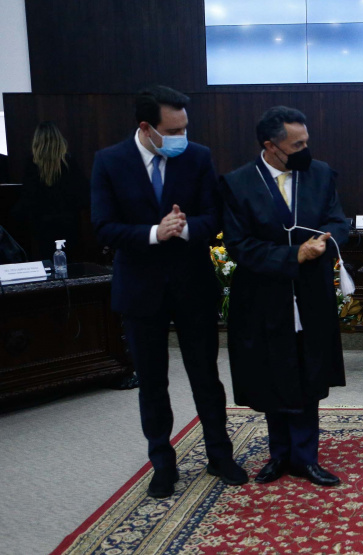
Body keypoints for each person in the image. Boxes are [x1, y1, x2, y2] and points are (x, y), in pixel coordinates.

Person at [91, 85, 247, 498]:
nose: (183, 136)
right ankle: (162, 462)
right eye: (173, 129)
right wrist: (154, 233)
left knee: (205, 376)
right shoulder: (109, 161)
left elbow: (214, 215)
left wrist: (187, 228)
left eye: (185, 127)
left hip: (192, 285)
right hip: (140, 289)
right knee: (153, 381)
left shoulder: (196, 156)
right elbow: (103, 226)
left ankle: (220, 454)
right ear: (146, 127)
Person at [220, 106, 349, 486]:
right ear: (271, 147)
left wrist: (326, 244)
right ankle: (279, 455)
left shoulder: (321, 173)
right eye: (298, 144)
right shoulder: (237, 183)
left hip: (310, 293)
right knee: (272, 371)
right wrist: (294, 254)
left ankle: (306, 458)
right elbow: (239, 246)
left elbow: (338, 221)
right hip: (264, 296)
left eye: (307, 141)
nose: (306, 148)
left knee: (308, 372)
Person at [10, 122, 90, 260]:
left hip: (42, 228)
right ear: (59, 140)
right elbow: (84, 197)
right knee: (72, 267)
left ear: (37, 141)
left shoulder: (31, 165)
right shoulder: (69, 162)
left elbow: (28, 199)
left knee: (47, 267)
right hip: (69, 225)